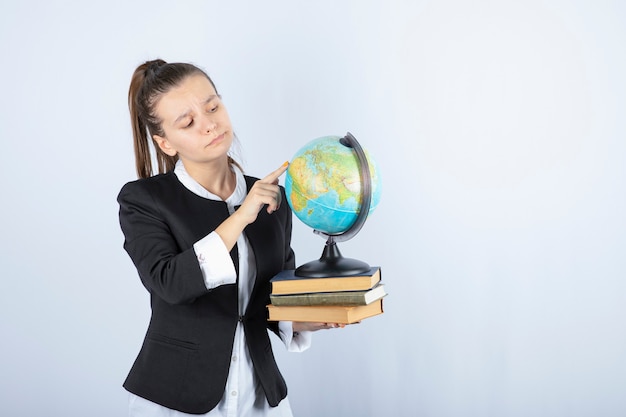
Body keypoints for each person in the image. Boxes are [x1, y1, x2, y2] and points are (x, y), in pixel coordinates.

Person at [118, 59, 342, 416]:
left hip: (259, 395)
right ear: (165, 142)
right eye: (188, 122)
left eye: (213, 106)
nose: (209, 124)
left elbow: (268, 303)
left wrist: (310, 317)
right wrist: (241, 215)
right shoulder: (144, 200)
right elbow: (170, 283)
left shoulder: (270, 200)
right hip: (174, 398)